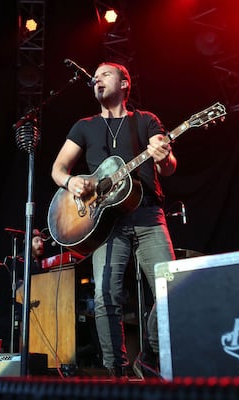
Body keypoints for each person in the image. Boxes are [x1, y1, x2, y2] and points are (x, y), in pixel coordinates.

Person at [51, 62, 176, 378]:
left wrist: (165, 158)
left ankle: (148, 356)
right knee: (105, 296)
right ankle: (115, 374)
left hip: (148, 213)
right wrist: (72, 183)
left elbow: (169, 166)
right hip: (105, 220)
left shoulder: (146, 120)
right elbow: (58, 169)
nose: (96, 79)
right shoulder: (84, 126)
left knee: (172, 287)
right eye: (94, 76)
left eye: (104, 74)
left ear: (125, 83)